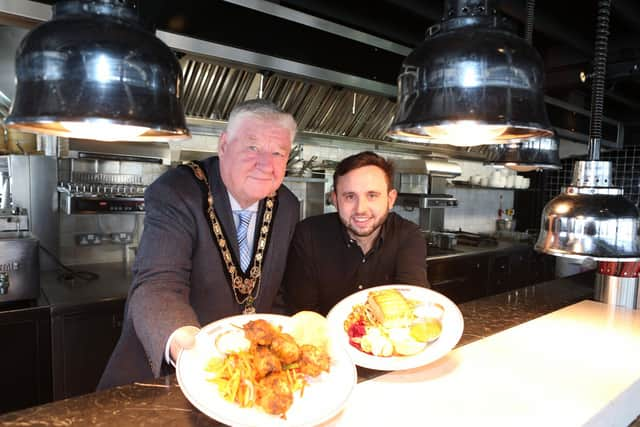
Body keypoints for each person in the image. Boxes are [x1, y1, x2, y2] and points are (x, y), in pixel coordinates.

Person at [98, 99, 299, 389]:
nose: (265, 164)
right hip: (162, 375)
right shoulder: (177, 192)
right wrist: (194, 351)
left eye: (278, 152)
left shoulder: (288, 205)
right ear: (224, 146)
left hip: (247, 380)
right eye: (252, 147)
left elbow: (275, 291)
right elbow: (157, 284)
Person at [282, 151, 428, 316]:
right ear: (335, 200)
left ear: (391, 199)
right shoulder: (308, 235)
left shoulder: (408, 236)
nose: (361, 209)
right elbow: (304, 316)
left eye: (372, 195)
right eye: (350, 197)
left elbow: (412, 306)